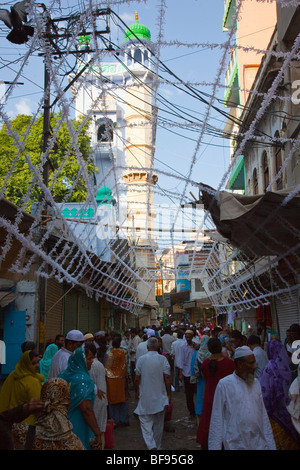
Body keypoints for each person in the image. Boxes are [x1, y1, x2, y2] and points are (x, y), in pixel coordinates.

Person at [208, 345, 276, 450]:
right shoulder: (224, 384)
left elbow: (263, 417)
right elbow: (216, 420)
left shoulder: (256, 383)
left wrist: (271, 446)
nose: (255, 366)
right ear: (240, 364)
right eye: (251, 363)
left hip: (259, 444)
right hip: (235, 445)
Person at [12, 378, 85, 450]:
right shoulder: (74, 442)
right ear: (66, 403)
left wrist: (25, 409)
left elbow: (4, 423)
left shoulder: (22, 432)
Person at [259, 339, 300, 450]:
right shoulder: (287, 367)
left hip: (274, 413)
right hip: (288, 410)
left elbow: (265, 392)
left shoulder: (270, 368)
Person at [58, 347, 102, 449]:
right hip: (77, 425)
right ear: (81, 360)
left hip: (62, 425)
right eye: (89, 359)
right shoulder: (84, 380)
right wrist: (97, 433)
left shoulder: (63, 375)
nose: (92, 362)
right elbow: (86, 408)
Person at [196, 337, 235, 450]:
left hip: (209, 395)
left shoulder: (205, 363)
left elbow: (205, 377)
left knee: (209, 421)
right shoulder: (229, 363)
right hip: (225, 396)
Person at [134, 337, 171, 450]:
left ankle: (151, 445)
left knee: (145, 422)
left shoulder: (141, 360)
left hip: (145, 395)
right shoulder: (163, 359)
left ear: (147, 347)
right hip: (160, 396)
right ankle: (157, 446)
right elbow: (167, 377)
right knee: (158, 424)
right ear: (158, 346)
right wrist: (169, 393)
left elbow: (137, 378)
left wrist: (137, 391)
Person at [0, 350, 44, 425]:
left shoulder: (14, 375)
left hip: (10, 419)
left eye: (38, 362)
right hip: (27, 425)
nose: (37, 365)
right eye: (33, 363)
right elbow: (38, 408)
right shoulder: (33, 382)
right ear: (26, 364)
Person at [104, 334, 129, 427]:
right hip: (121, 379)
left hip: (111, 380)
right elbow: (125, 367)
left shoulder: (109, 352)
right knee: (122, 399)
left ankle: (114, 420)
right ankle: (123, 419)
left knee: (112, 400)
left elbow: (107, 367)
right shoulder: (123, 352)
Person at [86, 343, 107, 449]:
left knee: (95, 431)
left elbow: (90, 384)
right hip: (102, 400)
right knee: (100, 430)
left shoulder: (92, 365)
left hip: (96, 401)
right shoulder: (100, 364)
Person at [190, 335, 211, 422]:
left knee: (200, 396)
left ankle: (199, 413)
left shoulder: (196, 354)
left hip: (200, 380)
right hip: (210, 380)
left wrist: (193, 377)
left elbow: (192, 367)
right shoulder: (211, 354)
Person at [178, 330, 197, 418]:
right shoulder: (183, 347)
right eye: (186, 337)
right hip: (186, 373)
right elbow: (181, 360)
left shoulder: (195, 346)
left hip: (195, 373)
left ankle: (198, 409)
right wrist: (181, 373)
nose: (188, 339)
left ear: (192, 337)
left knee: (197, 393)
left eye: (189, 337)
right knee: (189, 395)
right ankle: (191, 411)